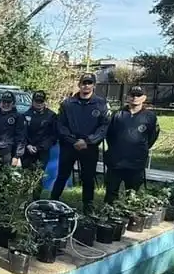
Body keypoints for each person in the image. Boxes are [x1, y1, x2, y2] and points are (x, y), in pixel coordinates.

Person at [51, 73, 110, 212]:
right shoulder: (67, 103)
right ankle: (52, 202)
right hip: (69, 145)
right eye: (84, 83)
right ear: (79, 85)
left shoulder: (101, 104)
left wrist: (88, 141)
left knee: (88, 178)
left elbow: (104, 126)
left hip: (89, 147)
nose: (86, 86)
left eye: (89, 83)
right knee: (62, 176)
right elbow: (60, 125)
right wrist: (72, 140)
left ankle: (88, 206)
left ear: (94, 85)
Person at [103, 86, 161, 204]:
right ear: (127, 97)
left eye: (138, 95)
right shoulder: (117, 114)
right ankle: (107, 217)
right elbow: (109, 135)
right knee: (111, 193)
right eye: (132, 95)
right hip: (116, 162)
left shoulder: (150, 117)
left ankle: (130, 219)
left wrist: (140, 148)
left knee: (132, 195)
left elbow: (152, 137)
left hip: (136, 162)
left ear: (144, 98)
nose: (135, 98)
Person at [0, 91, 27, 167]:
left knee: (6, 176)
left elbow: (21, 137)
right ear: (0, 102)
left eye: (9, 102)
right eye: (4, 102)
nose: (6, 104)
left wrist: (17, 155)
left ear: (13, 103)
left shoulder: (18, 117)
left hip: (8, 152)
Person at [24, 90, 57, 172]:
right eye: (36, 101)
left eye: (41, 101)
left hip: (43, 150)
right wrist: (27, 145)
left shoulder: (51, 116)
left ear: (44, 102)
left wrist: (39, 147)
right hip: (28, 150)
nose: (39, 103)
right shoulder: (25, 115)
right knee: (26, 176)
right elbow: (22, 133)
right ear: (32, 101)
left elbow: (54, 135)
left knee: (39, 176)